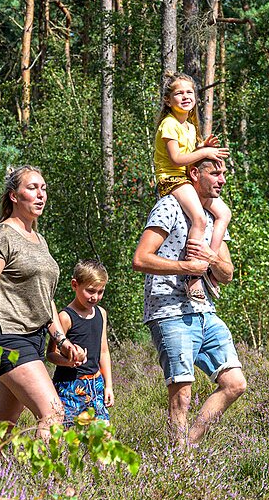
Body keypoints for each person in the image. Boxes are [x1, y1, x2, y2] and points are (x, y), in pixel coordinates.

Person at [132, 158, 246, 447]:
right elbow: (140, 258)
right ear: (195, 173)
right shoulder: (170, 206)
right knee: (181, 397)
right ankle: (178, 465)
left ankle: (188, 449)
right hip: (169, 310)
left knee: (235, 384)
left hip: (205, 310)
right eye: (215, 173)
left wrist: (211, 258)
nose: (221, 180)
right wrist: (186, 267)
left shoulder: (212, 217)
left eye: (224, 174)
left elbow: (228, 272)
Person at [0, 166, 87, 454]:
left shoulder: (40, 241)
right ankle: (39, 486)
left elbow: (44, 299)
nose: (40, 195)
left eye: (44, 188)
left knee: (1, 430)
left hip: (34, 339)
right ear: (14, 196)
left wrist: (62, 340)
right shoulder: (1, 236)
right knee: (53, 413)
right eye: (33, 188)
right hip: (7, 338)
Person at [153, 74, 231, 301]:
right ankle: (193, 273)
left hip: (187, 177)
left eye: (189, 92)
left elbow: (191, 153)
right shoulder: (169, 124)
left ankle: (209, 261)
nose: (185, 96)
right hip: (173, 179)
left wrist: (202, 146)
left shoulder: (188, 126)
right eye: (179, 93)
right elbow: (177, 159)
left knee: (224, 213)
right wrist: (205, 152)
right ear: (168, 100)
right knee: (199, 218)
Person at [47, 260, 113, 425]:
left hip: (95, 383)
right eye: (90, 291)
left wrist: (108, 385)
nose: (95, 297)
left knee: (103, 436)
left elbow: (104, 352)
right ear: (75, 285)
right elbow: (51, 353)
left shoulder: (101, 313)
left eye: (100, 292)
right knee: (65, 436)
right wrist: (68, 362)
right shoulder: (65, 317)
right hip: (69, 385)